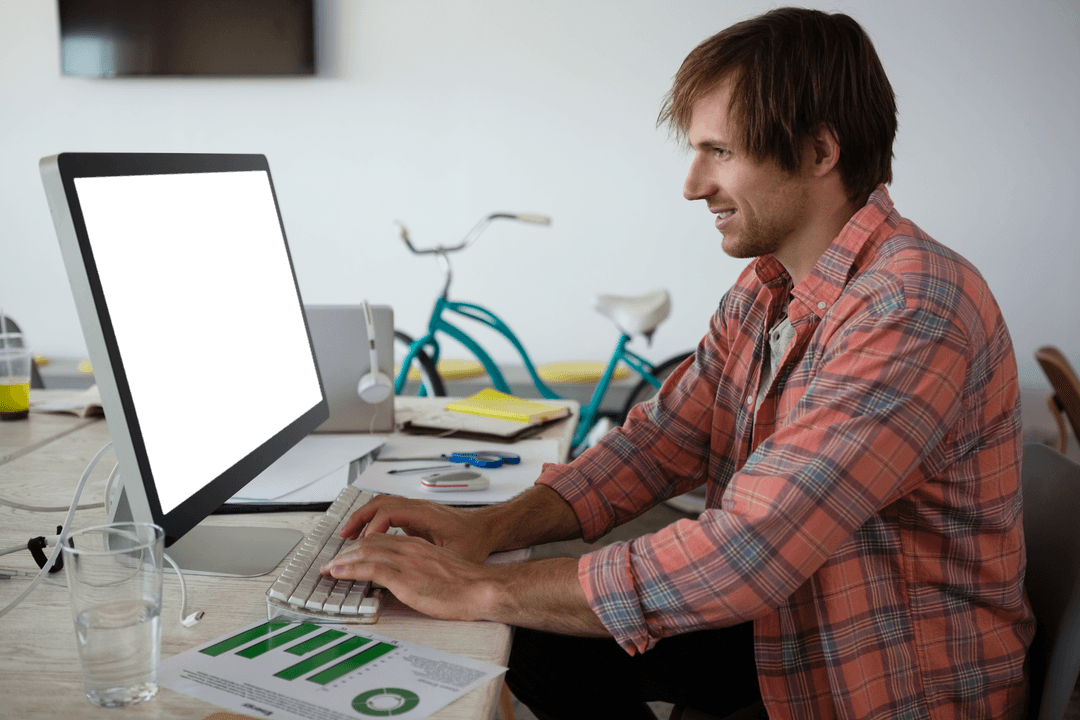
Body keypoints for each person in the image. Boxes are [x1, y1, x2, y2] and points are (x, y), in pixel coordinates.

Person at [321, 7, 1034, 719]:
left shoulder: (911, 307)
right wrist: (491, 529)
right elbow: (658, 444)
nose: (693, 185)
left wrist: (479, 586)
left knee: (510, 614)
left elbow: (748, 554)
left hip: (876, 681)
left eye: (720, 153)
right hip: (788, 629)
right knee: (533, 637)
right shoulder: (766, 290)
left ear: (820, 152)